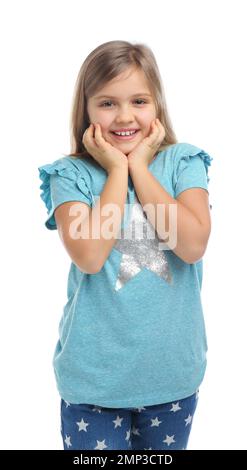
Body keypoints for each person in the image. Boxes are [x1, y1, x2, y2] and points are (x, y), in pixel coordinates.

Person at [38, 40, 213, 451]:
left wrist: (140, 168)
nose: (125, 116)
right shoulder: (71, 175)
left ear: (158, 106)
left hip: (171, 377)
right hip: (93, 383)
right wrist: (118, 170)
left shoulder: (183, 163)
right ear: (86, 109)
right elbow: (90, 254)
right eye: (107, 103)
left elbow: (191, 245)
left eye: (138, 100)